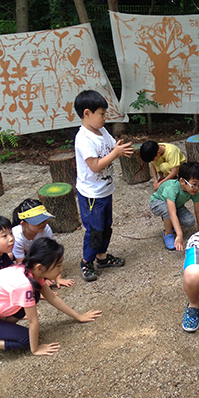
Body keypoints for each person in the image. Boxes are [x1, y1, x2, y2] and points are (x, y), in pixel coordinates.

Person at [0, 238, 101, 357]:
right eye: (58, 265)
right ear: (39, 267)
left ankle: (3, 327)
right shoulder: (24, 284)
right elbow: (33, 321)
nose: (61, 269)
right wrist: (35, 349)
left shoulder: (30, 270)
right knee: (26, 340)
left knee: (35, 294)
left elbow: (52, 298)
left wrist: (78, 316)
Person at [74, 90, 134, 282]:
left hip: (105, 190)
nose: (104, 118)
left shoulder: (101, 132)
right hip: (91, 194)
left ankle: (102, 258)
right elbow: (95, 166)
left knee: (106, 226)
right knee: (95, 230)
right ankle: (86, 261)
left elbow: (110, 147)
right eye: (101, 114)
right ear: (86, 113)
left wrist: (118, 149)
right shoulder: (84, 139)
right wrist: (115, 153)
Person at [12, 199, 74, 289]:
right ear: (24, 224)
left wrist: (58, 277)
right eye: (37, 222)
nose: (42, 224)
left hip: (36, 252)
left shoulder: (46, 229)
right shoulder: (16, 237)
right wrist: (40, 281)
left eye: (44, 220)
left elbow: (52, 253)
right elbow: (22, 264)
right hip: (21, 255)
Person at [150, 161, 199, 251]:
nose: (197, 188)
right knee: (167, 210)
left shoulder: (194, 191)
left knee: (189, 221)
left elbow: (198, 211)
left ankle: (171, 224)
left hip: (176, 205)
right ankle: (168, 233)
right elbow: (172, 213)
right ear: (182, 181)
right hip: (158, 203)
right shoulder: (173, 188)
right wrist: (180, 235)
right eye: (194, 184)